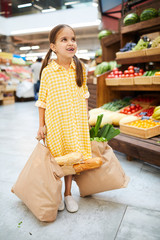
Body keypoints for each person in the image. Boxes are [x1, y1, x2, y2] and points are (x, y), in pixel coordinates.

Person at [35, 24, 92, 213]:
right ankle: (57, 194)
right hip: (56, 125)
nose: (70, 43)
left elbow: (84, 95)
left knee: (72, 160)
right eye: (64, 39)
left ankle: (68, 195)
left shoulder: (80, 67)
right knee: (58, 161)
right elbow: (42, 101)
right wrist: (41, 126)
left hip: (76, 124)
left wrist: (86, 119)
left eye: (73, 39)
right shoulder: (48, 72)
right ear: (53, 46)